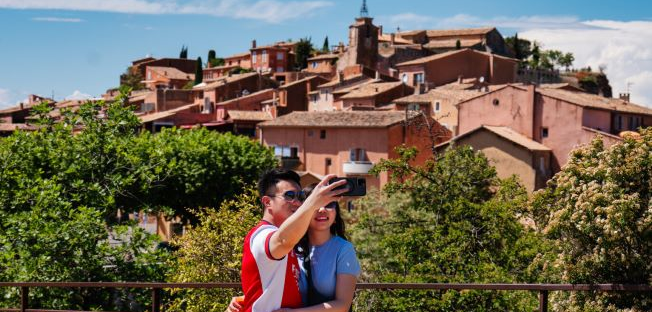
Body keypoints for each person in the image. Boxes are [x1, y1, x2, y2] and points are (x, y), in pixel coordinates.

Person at [230, 183, 360, 312]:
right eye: (316, 205)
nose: (322, 210)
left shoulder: (343, 249)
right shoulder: (291, 247)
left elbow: (343, 305)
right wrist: (245, 299)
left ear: (336, 215)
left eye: (329, 205)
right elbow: (277, 286)